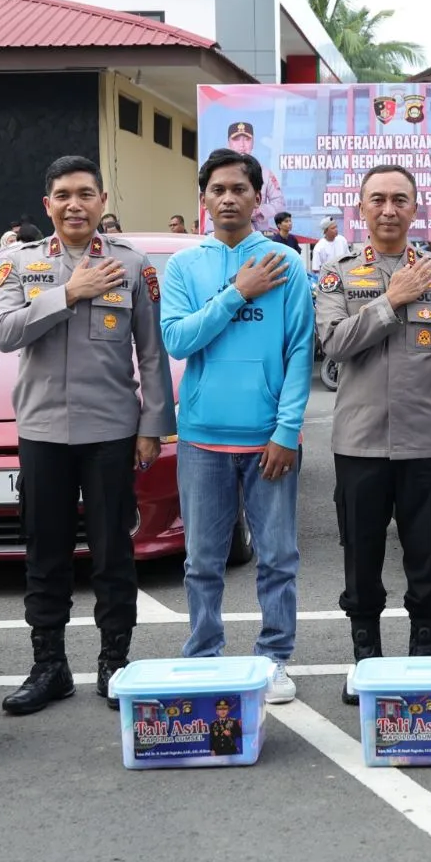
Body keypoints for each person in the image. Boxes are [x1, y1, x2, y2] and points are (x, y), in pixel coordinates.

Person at [0, 156, 173, 714]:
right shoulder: (19, 263)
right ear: (48, 204)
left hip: (110, 429)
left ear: (102, 201)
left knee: (113, 551)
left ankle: (115, 660)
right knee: (45, 550)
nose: (75, 205)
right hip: (42, 429)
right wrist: (69, 293)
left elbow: (152, 352)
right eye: (64, 195)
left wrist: (153, 426)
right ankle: (49, 665)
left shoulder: (132, 264)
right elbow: (3, 333)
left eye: (85, 194)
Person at [317, 164, 431, 703]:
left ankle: (422, 657)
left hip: (426, 442)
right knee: (361, 558)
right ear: (360, 208)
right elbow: (334, 344)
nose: (389, 209)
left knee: (425, 556)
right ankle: (366, 661)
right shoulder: (338, 273)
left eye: (399, 199)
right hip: (359, 443)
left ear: (415, 208)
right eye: (378, 199)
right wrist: (391, 300)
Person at [160, 148, 313, 706]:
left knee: (277, 558)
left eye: (239, 189)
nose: (228, 199)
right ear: (203, 199)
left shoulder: (285, 263)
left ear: (257, 197)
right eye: (218, 190)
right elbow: (178, 339)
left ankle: (275, 657)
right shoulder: (184, 266)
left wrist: (286, 432)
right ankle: (204, 655)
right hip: (202, 436)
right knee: (202, 560)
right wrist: (237, 293)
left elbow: (300, 352)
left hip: (269, 438)